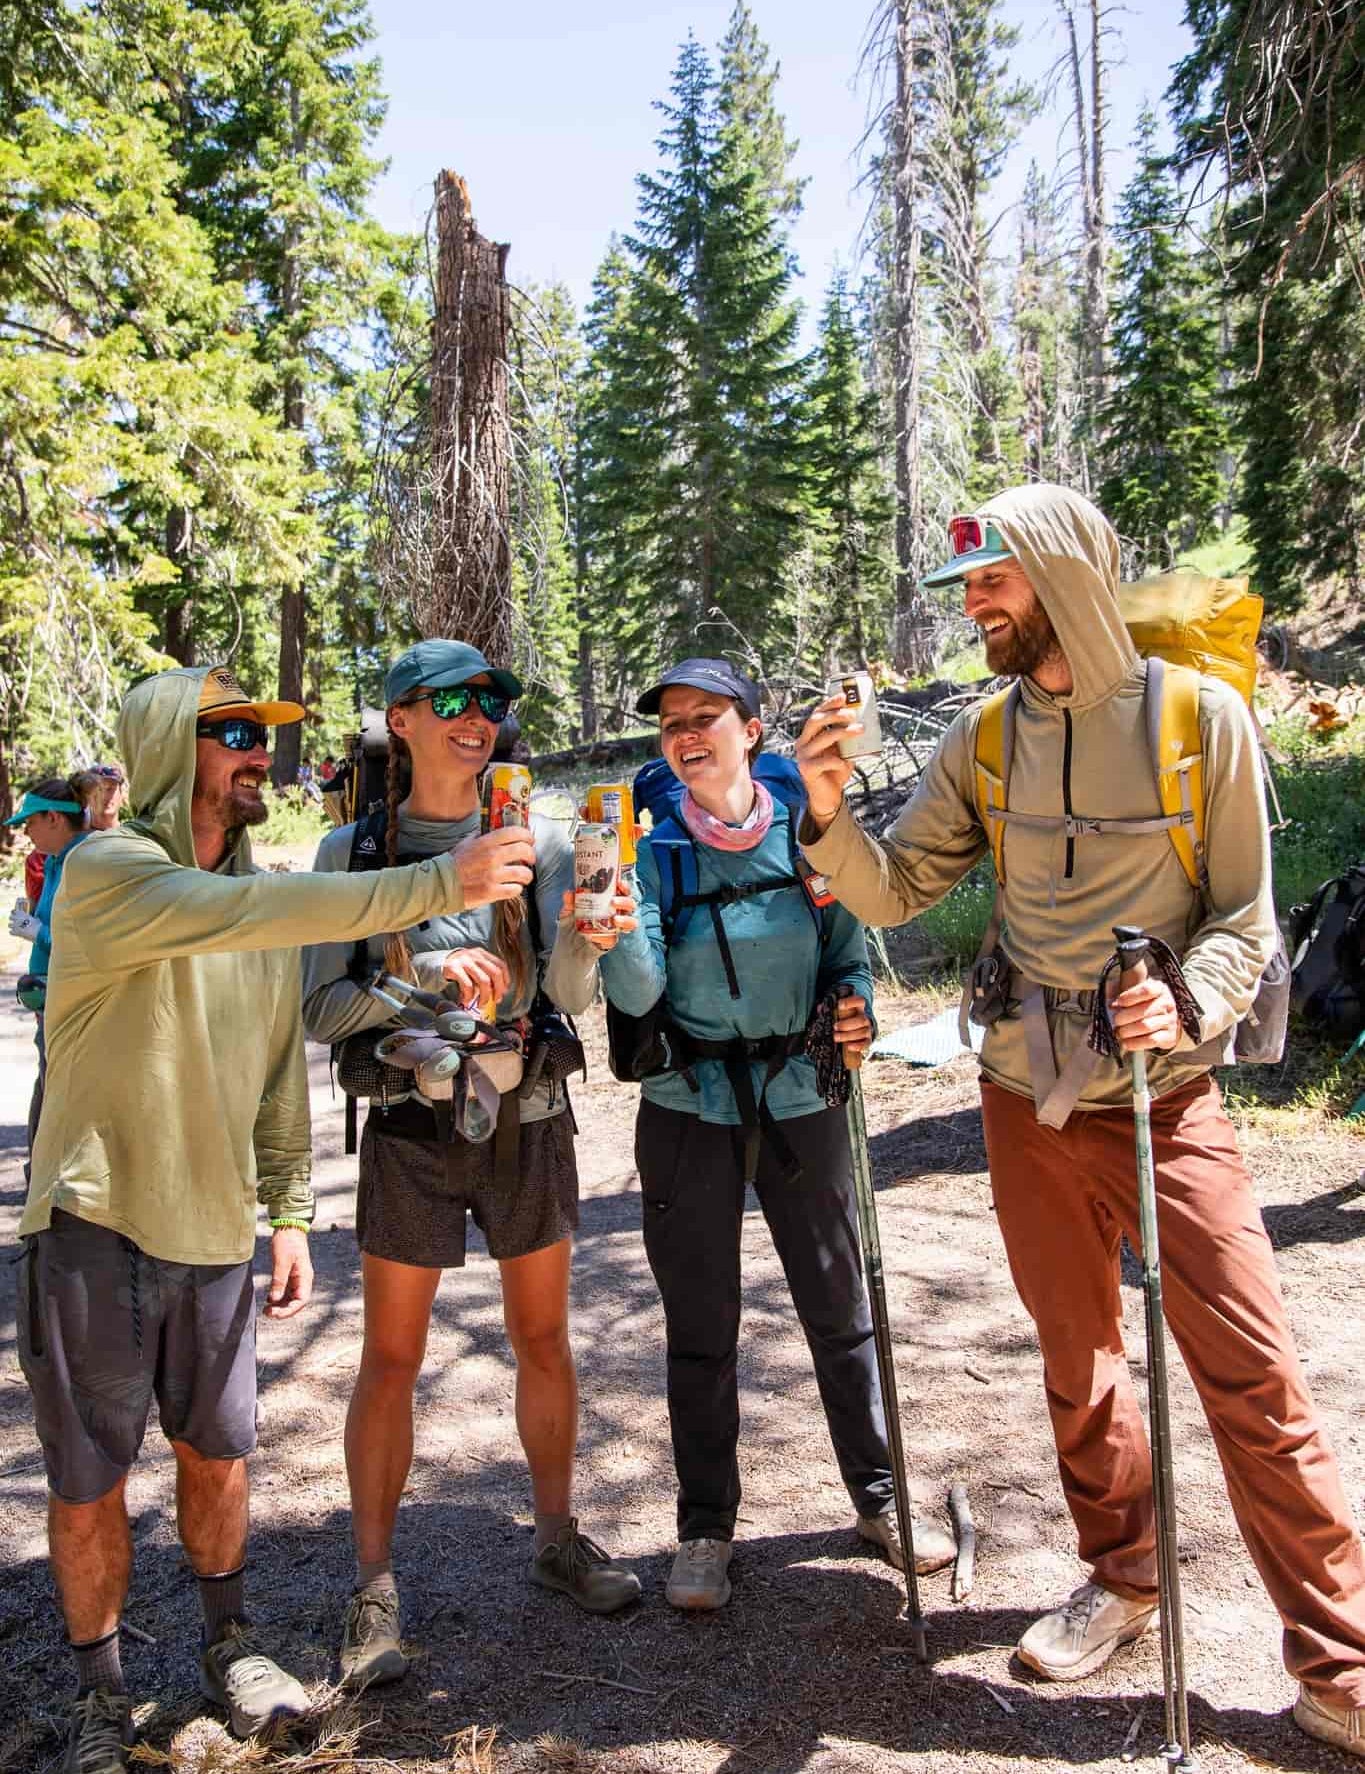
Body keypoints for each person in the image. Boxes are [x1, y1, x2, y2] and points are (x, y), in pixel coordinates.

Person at [795, 483, 1365, 1759]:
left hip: (1167, 1099)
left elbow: (1247, 919)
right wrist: (827, 815)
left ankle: (1339, 1661)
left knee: (1254, 1378)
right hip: (1021, 1095)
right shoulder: (986, 738)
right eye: (969, 584)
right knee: (1078, 1360)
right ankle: (1123, 1575)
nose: (971, 604)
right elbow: (896, 892)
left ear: (1058, 575)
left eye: (991, 579)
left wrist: (1192, 995)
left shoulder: (1195, 721)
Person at [17, 663, 534, 1774]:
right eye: (232, 734)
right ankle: (103, 1695)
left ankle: (228, 1642)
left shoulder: (255, 893)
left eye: (267, 734)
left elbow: (275, 1075)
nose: (261, 753)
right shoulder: (111, 870)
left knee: (219, 1451)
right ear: (166, 749)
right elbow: (247, 912)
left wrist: (290, 1207)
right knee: (91, 1474)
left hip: (215, 1226)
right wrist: (439, 881)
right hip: (96, 1220)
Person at [301, 639, 641, 1693]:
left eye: (493, 696)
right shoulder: (351, 854)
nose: (476, 712)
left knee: (543, 1335)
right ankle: (373, 1589)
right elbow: (320, 1007)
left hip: (528, 1115)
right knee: (390, 1359)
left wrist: (593, 931)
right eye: (449, 697)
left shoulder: (538, 837)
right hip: (409, 1129)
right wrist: (427, 977)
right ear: (399, 718)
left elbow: (572, 998)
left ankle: (554, 1538)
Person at [596, 658, 956, 1612]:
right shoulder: (650, 847)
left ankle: (879, 1501)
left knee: (840, 1308)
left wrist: (858, 1012)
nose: (684, 733)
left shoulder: (806, 830)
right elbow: (636, 996)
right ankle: (704, 1528)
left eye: (704, 715)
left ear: (750, 729)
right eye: (670, 721)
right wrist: (614, 929)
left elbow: (847, 956)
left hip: (806, 1091)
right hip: (688, 1105)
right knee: (700, 1326)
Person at [6, 777, 89, 1175]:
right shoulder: (54, 861)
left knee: (63, 1093)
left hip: (75, 1003)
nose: (25, 831)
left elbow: (92, 943)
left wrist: (41, 933)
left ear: (54, 818)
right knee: (48, 1085)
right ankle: (43, 1175)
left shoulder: (86, 863)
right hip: (49, 1000)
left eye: (30, 822)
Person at [72, 762, 128, 831]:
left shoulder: (133, 836)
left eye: (110, 788)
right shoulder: (75, 839)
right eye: (98, 789)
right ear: (86, 795)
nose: (104, 795)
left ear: (121, 793)